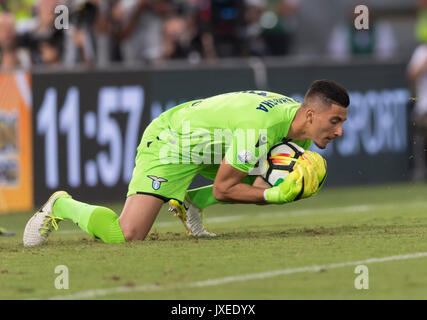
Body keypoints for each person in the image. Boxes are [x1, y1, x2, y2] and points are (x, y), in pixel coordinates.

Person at [23, 79, 349, 246]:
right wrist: (278, 195)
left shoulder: (298, 128)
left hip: (211, 142)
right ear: (310, 113)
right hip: (173, 142)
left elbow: (261, 182)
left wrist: (281, 189)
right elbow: (225, 189)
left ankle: (191, 201)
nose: (339, 131)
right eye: (334, 121)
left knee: (266, 181)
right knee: (127, 235)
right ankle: (61, 205)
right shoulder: (262, 128)